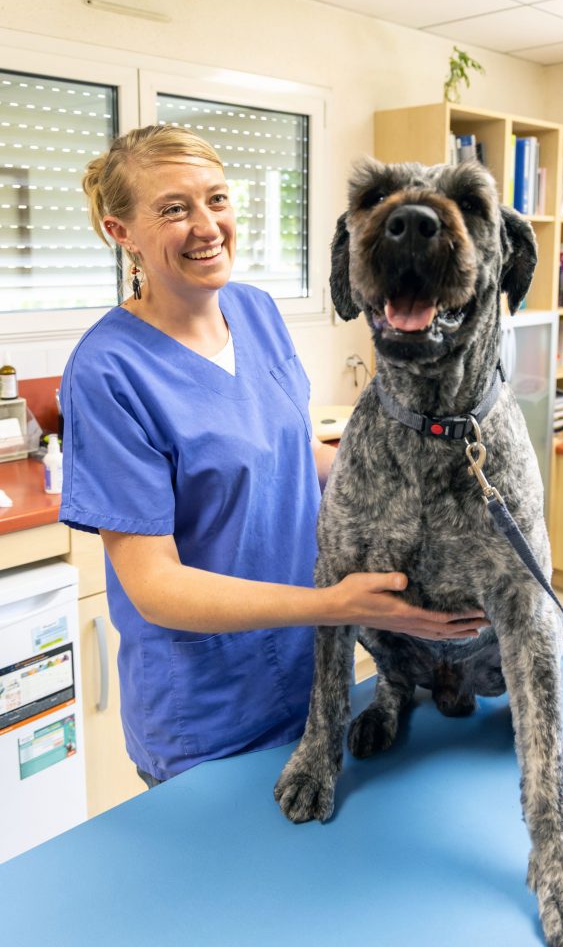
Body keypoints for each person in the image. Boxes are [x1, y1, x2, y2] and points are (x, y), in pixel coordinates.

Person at [59, 125, 489, 787]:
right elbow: (155, 586)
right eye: (174, 209)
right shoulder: (107, 371)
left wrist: (422, 474)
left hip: (314, 680)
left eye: (217, 199)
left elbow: (293, 457)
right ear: (123, 233)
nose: (207, 226)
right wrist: (339, 605)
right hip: (209, 714)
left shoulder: (255, 312)